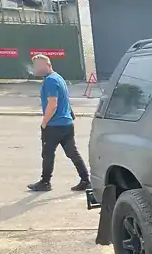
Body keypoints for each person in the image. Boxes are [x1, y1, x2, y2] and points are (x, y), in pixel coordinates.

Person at [27, 54, 91, 192]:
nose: (35, 69)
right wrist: (70, 116)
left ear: (46, 65)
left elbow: (53, 104)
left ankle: (45, 182)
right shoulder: (58, 78)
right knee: (72, 153)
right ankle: (86, 179)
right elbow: (66, 100)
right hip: (66, 124)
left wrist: (44, 122)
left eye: (37, 66)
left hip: (54, 125)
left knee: (48, 154)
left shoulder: (50, 81)